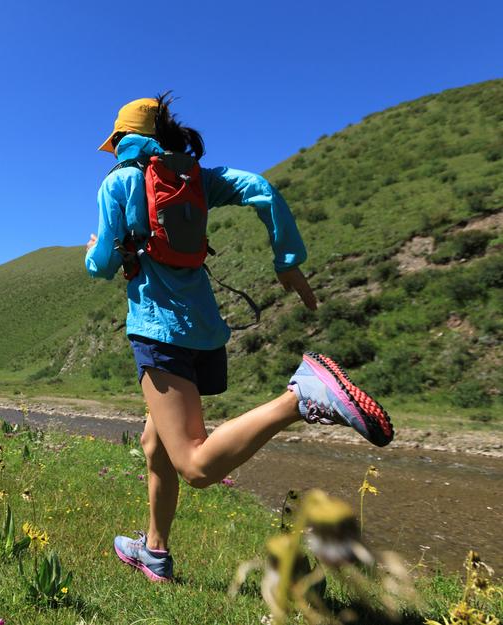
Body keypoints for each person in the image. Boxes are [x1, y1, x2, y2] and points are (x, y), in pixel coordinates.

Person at [85, 94, 393, 583]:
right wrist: (286, 260)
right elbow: (261, 189)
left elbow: (102, 265)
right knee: (154, 442)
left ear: (123, 139)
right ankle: (155, 551)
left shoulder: (119, 182)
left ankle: (300, 397)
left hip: (158, 331)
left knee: (195, 464)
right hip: (206, 333)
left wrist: (92, 253)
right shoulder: (199, 179)